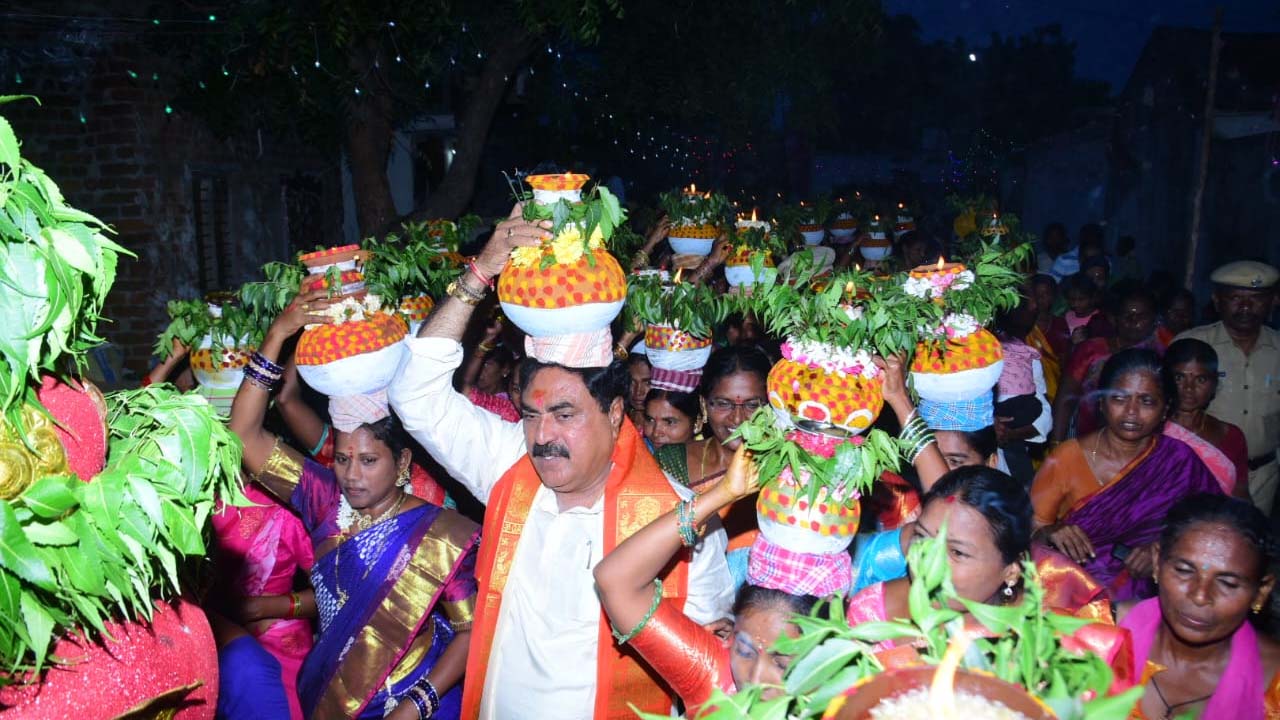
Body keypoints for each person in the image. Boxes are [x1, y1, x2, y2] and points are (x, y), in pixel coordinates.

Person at [388, 205, 733, 719]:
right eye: (531, 415)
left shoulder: (680, 522)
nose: (543, 436)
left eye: (565, 414)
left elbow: (704, 675)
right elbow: (413, 394)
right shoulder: (509, 466)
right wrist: (480, 272)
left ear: (616, 413)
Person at [230, 292, 479, 719]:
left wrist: (417, 704)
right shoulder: (324, 498)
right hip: (331, 696)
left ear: (401, 461)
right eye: (342, 459)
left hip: (418, 699)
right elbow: (244, 436)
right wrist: (277, 336)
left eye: (368, 461)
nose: (352, 475)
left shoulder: (441, 532)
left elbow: (471, 631)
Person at [594, 446, 820, 711]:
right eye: (745, 651)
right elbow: (616, 581)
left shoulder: (852, 697)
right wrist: (722, 494)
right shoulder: (714, 678)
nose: (756, 678)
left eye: (782, 663)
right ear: (731, 637)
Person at [847, 467, 1117, 645]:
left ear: (1011, 570)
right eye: (922, 537)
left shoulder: (1041, 642)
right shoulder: (873, 612)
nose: (928, 563)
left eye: (956, 552)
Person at [1032, 349, 1222, 601]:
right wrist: (1052, 532)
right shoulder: (1066, 457)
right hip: (1073, 598)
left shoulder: (1178, 460)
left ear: (1165, 409)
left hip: (1156, 601)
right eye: (1119, 399)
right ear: (1101, 402)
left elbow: (1214, 527)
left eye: (1146, 401)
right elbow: (1027, 530)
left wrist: (1163, 549)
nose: (1131, 412)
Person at [1119, 494, 1280, 718]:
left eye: (1228, 583)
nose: (1200, 596)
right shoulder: (1097, 635)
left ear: (1261, 592)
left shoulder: (1274, 685)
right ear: (1157, 562)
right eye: (1184, 571)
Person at [1175, 260, 1279, 514]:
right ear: (1217, 300)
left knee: (1250, 547)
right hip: (1199, 472)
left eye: (1256, 299)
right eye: (1235, 298)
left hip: (1261, 478)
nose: (1245, 307)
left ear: (1273, 301)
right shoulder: (1191, 344)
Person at [1050, 285, 1161, 441]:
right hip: (1086, 440)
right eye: (1126, 315)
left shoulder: (1159, 357)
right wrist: (1056, 443)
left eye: (1141, 316)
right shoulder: (1091, 350)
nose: (1132, 321)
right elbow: (1065, 398)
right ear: (1115, 318)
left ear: (1154, 321)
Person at [1164, 338, 1250, 497]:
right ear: (1164, 380)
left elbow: (1240, 496)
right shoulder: (1149, 433)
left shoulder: (1231, 435)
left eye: (1200, 379)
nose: (1189, 388)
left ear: (1215, 384)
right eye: (1179, 378)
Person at [459, 311, 521, 423]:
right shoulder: (473, 395)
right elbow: (466, 384)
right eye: (480, 364)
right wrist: (485, 342)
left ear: (505, 369)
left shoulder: (510, 409)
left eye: (487, 364)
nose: (480, 370)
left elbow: (466, 385)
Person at [1027, 273, 1064, 402]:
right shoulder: (1024, 325)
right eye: (1037, 294)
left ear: (1054, 296)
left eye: (1046, 294)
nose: (1041, 298)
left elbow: (1064, 356)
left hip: (1056, 384)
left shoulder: (1060, 323)